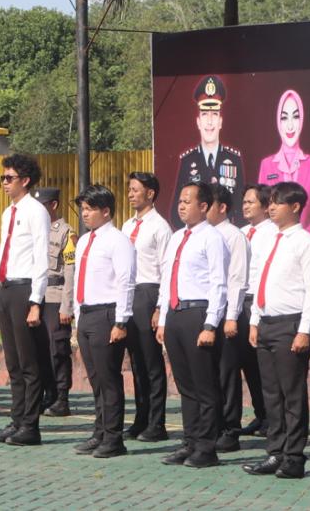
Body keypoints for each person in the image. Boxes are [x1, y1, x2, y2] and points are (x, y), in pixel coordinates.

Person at [242, 182, 310, 480]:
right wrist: (254, 320)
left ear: (296, 207)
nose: (271, 207)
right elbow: (259, 282)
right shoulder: (269, 240)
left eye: (278, 202)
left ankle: (294, 457)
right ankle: (275, 452)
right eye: (270, 202)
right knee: (271, 394)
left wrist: (304, 330)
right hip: (266, 323)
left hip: (291, 324)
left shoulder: (306, 243)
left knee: (292, 395)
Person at [157, 182, 228, 468]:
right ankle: (190, 442)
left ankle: (207, 448)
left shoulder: (212, 237)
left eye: (188, 201)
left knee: (204, 386)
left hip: (198, 313)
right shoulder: (177, 237)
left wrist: (210, 325)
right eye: (180, 201)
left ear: (204, 206)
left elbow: (219, 283)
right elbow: (167, 280)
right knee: (185, 386)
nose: (182, 205)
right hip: (176, 313)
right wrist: (163, 319)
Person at [0, 154, 50, 447]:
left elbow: (41, 258)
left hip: (25, 288)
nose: (4, 183)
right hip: (8, 287)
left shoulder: (36, 211)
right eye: (3, 178)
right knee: (12, 360)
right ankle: (17, 419)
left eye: (9, 178)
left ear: (25, 180)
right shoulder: (7, 212)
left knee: (29, 361)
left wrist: (36, 301)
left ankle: (30, 426)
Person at [71, 185, 136, 459]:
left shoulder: (118, 241)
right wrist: (78, 316)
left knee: (109, 379)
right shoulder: (85, 241)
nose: (85, 214)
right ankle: (99, 432)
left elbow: (125, 282)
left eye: (90, 209)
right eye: (83, 209)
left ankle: (113, 437)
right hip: (87, 314)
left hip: (107, 314)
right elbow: (79, 280)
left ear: (106, 211)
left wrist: (121, 321)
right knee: (96, 379)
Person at [122, 171, 171, 441]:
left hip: (149, 292)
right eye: (129, 189)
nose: (131, 194)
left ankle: (156, 422)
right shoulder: (127, 225)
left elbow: (166, 270)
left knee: (151, 361)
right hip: (129, 293)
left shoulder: (160, 227)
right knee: (136, 361)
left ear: (150, 193)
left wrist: (160, 307)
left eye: (136, 189)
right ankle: (140, 418)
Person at [208, 184, 250, 452]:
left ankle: (230, 429)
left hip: (227, 313)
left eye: (207, 204)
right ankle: (210, 426)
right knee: (207, 373)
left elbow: (237, 279)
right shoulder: (199, 235)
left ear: (222, 207)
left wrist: (232, 316)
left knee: (227, 374)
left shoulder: (234, 236)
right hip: (205, 313)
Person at [172, 76, 245, 226]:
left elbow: (241, 209)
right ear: (198, 122)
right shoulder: (187, 161)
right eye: (205, 114)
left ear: (220, 121)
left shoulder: (234, 159)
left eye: (214, 114)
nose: (210, 122)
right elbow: (176, 213)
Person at [257, 90, 310, 236]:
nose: (290, 126)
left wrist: (300, 239)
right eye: (284, 117)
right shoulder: (267, 164)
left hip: (305, 242)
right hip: (272, 240)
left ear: (302, 120)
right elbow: (262, 212)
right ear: (278, 121)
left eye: (295, 117)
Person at [34, 187, 75, 417]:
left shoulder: (66, 232)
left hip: (55, 295)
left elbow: (71, 271)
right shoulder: (34, 230)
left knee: (57, 348)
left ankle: (61, 397)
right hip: (37, 296)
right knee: (39, 349)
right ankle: (47, 394)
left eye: (43, 205)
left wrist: (66, 305)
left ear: (54, 205)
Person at [234, 184, 271, 437]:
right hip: (241, 301)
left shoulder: (272, 233)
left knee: (261, 364)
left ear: (266, 206)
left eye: (251, 202)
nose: (245, 206)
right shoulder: (242, 232)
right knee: (247, 363)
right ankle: (260, 414)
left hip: (259, 302)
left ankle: (271, 417)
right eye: (244, 201)